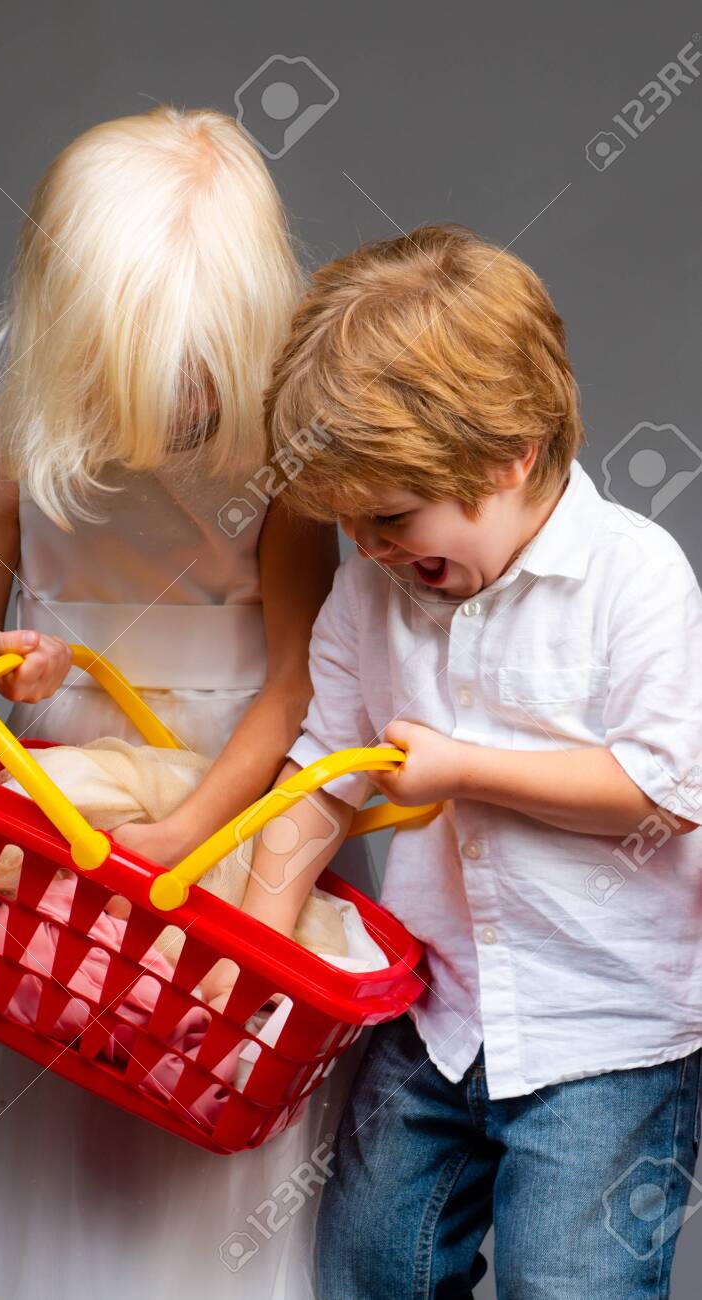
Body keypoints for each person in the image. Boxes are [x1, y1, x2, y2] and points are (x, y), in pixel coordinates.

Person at [0, 106, 372, 1300]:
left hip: (232, 833)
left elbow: (297, 684)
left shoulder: (277, 479)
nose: (178, 409)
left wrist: (187, 841)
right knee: (61, 1118)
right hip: (67, 843)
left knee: (207, 1109)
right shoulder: (1, 457)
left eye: (201, 374)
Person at [208, 224, 702, 1297]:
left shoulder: (634, 578)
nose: (372, 549)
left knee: (568, 1279)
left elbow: (661, 794)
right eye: (348, 524)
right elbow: (318, 777)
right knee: (365, 1267)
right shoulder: (366, 595)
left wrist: (465, 768)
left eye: (390, 518)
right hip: (432, 1020)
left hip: (603, 1041)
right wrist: (248, 947)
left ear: (509, 454)